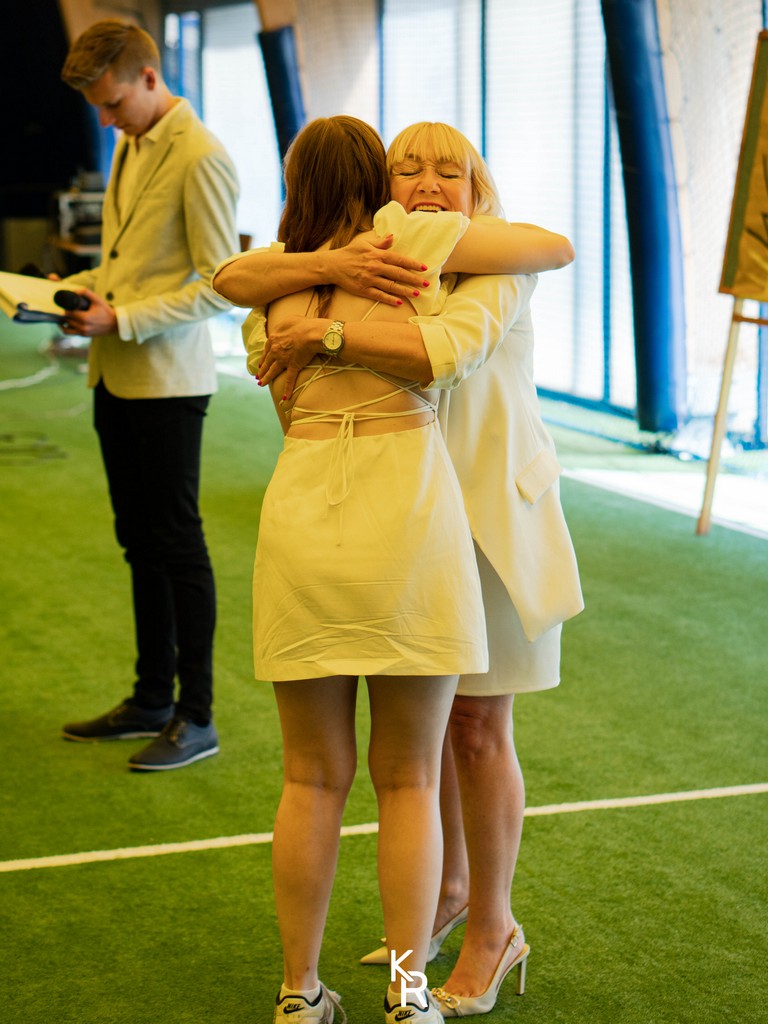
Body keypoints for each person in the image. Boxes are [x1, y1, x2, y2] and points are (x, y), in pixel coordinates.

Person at [217, 121, 583, 1017]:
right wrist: (334, 276)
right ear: (377, 189)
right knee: (414, 768)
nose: (425, 183)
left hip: (478, 524)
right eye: (405, 168)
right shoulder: (383, 257)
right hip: (411, 522)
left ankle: (484, 929)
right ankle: (427, 939)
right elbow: (236, 277)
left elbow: (536, 263)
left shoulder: (462, 253)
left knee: (462, 736)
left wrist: (325, 330)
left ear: (476, 185)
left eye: (446, 170)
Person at [56, 20, 240, 771]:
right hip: (116, 373)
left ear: (150, 79)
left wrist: (122, 318)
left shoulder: (202, 155)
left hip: (168, 383)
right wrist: (76, 292)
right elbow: (129, 263)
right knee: (138, 542)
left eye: (113, 104)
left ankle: (197, 717)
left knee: (177, 545)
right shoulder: (133, 143)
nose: (106, 121)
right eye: (98, 108)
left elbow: (221, 285)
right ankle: (151, 698)